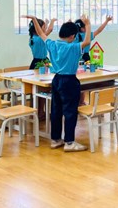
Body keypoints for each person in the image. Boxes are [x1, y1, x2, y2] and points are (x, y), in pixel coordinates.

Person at [23, 14, 92, 152]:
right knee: (70, 112)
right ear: (72, 36)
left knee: (56, 110)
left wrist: (34, 20)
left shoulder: (52, 44)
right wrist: (88, 25)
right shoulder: (73, 47)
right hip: (70, 80)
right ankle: (69, 142)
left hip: (57, 80)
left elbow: (41, 33)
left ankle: (55, 140)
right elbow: (87, 41)